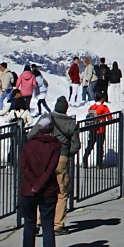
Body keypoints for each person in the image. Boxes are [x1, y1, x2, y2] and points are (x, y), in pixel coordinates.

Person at [29, 97, 79, 235]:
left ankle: (38, 221)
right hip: (61, 157)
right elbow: (76, 145)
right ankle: (58, 225)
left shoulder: (46, 118)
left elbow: (31, 135)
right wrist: (66, 154)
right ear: (66, 109)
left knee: (41, 188)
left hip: (43, 157)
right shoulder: (70, 123)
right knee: (61, 191)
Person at [19, 116, 61, 247]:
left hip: (28, 189)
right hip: (48, 190)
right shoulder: (55, 146)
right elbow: (50, 169)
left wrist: (33, 183)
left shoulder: (29, 145)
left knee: (29, 222)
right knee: (47, 224)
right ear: (51, 129)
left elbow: (23, 165)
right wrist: (39, 184)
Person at [81, 98, 111, 168]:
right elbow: (109, 117)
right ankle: (99, 163)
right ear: (101, 99)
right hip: (100, 129)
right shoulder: (104, 107)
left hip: (92, 130)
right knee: (99, 147)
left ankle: (84, 160)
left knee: (90, 146)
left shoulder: (91, 107)